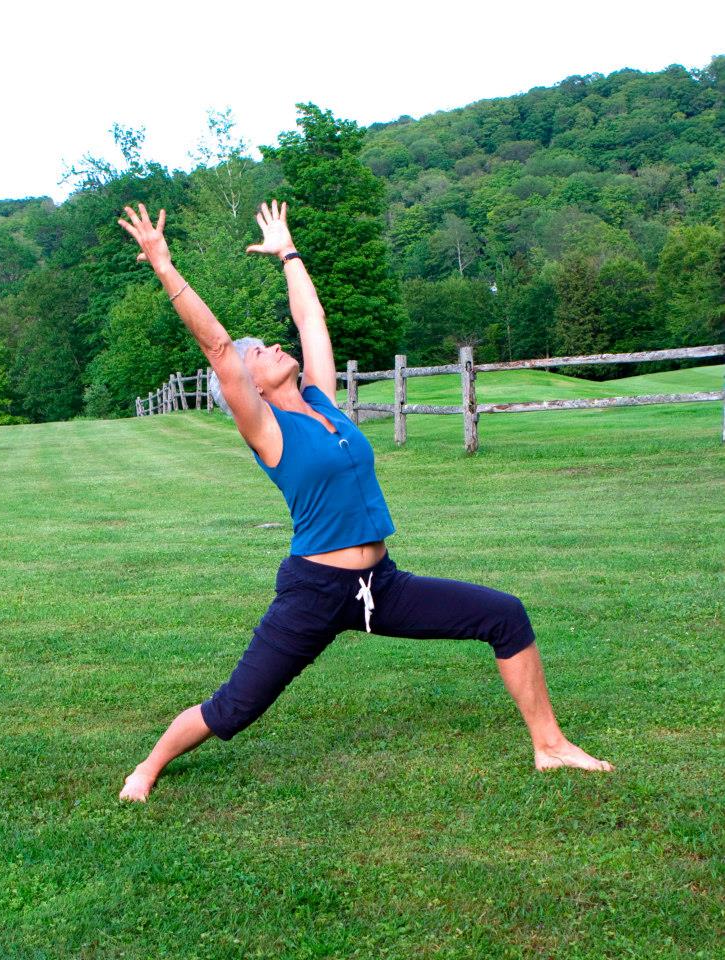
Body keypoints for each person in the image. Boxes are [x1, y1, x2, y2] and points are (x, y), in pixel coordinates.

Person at [118, 200, 613, 802]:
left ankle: (550, 746)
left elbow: (312, 320)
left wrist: (289, 254)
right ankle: (147, 767)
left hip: (384, 584)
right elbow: (220, 349)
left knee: (504, 615)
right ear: (250, 386)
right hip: (315, 592)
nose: (274, 347)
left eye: (272, 345)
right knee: (234, 709)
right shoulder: (267, 430)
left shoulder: (322, 402)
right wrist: (165, 267)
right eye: (261, 353)